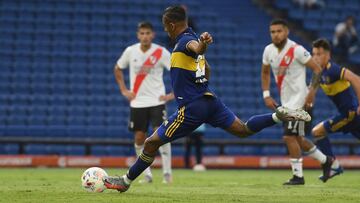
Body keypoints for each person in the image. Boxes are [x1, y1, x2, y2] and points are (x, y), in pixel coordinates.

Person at [103, 6, 328, 193]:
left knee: (151, 142)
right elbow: (206, 66)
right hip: (210, 100)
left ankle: (125, 181)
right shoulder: (189, 39)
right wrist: (201, 66)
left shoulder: (183, 42)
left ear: (171, 25)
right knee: (243, 129)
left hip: (192, 107)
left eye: (165, 27)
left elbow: (196, 47)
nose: (166, 30)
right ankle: (277, 116)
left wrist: (203, 45)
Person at [261, 19, 333, 185]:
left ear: (287, 32)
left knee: (289, 137)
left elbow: (317, 69)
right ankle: (326, 160)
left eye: (279, 31)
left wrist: (312, 92)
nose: (275, 34)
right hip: (286, 104)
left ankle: (298, 176)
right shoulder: (268, 51)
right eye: (272, 32)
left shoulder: (297, 50)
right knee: (298, 139)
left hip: (300, 103)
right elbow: (265, 72)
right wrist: (266, 94)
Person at [114, 21, 174, 184]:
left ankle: (167, 173)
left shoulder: (161, 52)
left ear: (152, 35)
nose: (145, 36)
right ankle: (147, 174)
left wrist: (172, 94)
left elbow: (176, 71)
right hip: (138, 103)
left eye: (148, 33)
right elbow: (118, 68)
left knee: (161, 136)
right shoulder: (130, 51)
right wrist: (124, 90)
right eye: (142, 33)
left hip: (156, 101)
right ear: (138, 35)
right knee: (140, 139)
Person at [311, 38, 360, 182]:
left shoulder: (333, 70)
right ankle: (334, 166)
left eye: (319, 54)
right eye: (314, 54)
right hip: (350, 116)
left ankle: (334, 165)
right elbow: (311, 92)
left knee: (317, 132)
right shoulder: (319, 73)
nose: (316, 57)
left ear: (328, 55)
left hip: (350, 114)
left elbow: (356, 79)